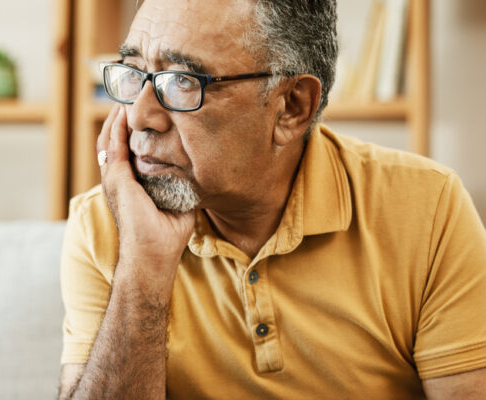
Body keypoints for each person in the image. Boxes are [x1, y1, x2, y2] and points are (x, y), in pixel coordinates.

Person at [58, 0, 486, 398]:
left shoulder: (427, 210)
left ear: (292, 107)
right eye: (133, 72)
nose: (138, 116)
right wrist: (143, 267)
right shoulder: (105, 224)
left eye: (182, 81)